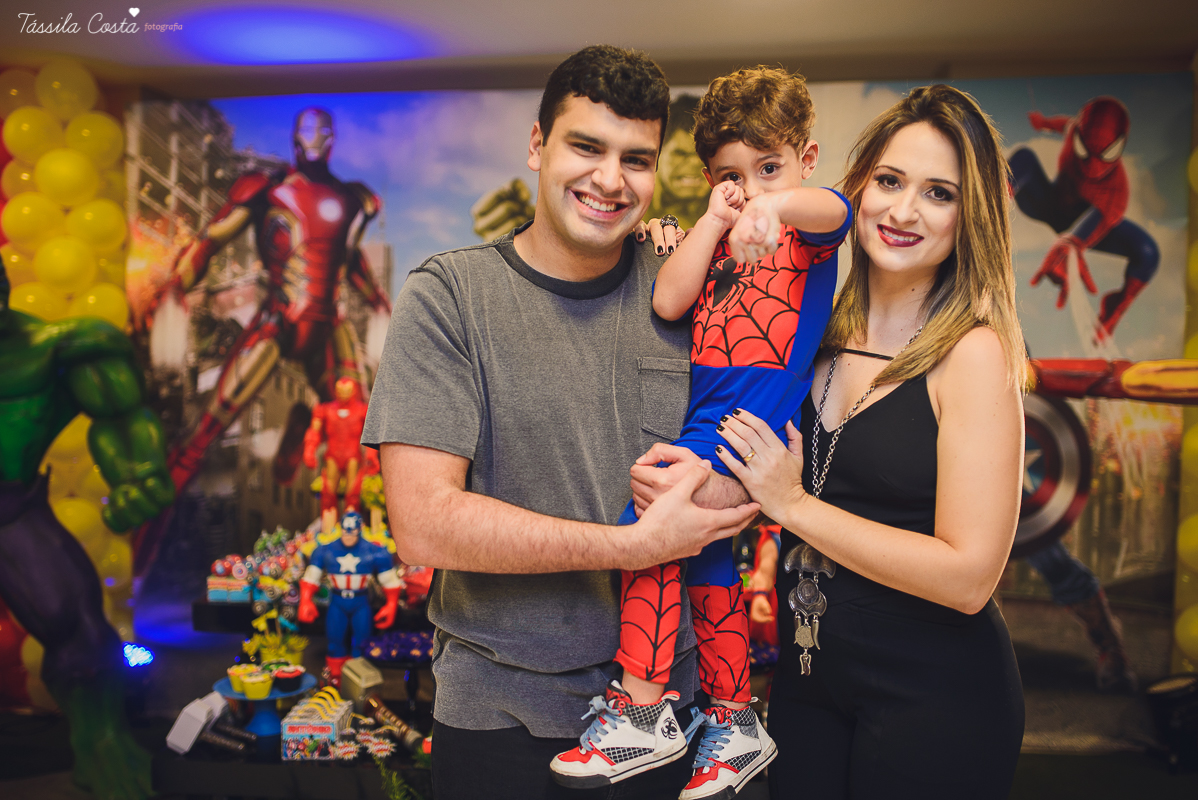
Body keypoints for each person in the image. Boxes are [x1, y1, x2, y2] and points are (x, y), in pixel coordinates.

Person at [362, 45, 759, 800]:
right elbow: (422, 523)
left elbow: (764, 436)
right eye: (586, 146)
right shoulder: (450, 296)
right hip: (497, 715)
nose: (611, 180)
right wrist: (633, 546)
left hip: (668, 715)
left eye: (636, 159)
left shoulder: (690, 286)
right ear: (539, 144)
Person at [640, 84, 1028, 798]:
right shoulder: (813, 336)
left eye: (939, 193)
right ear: (858, 187)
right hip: (807, 680)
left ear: (968, 215)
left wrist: (792, 504)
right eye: (889, 181)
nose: (904, 210)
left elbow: (970, 578)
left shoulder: (973, 354)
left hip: (934, 695)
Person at [551, 66, 851, 800]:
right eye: (731, 175)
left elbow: (828, 210)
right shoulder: (716, 241)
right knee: (706, 575)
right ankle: (735, 719)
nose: (750, 187)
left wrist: (774, 205)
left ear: (803, 161)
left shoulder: (810, 232)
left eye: (769, 166)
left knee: (651, 524)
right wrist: (715, 221)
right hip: (704, 426)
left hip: (741, 431)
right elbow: (667, 295)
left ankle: (644, 704)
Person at [0, 262, 175, 800]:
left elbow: (123, 422)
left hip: (12, 511)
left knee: (82, 633)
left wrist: (136, 475)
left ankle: (102, 745)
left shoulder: (59, 349)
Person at [298, 510, 401, 685]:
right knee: (334, 644)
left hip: (361, 603)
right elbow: (311, 577)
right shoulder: (325, 550)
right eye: (345, 531)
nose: (348, 536)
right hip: (337, 602)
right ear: (340, 528)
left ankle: (358, 683)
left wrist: (391, 604)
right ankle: (335, 684)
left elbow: (389, 581)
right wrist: (305, 600)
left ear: (360, 529)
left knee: (362, 645)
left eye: (352, 531)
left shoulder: (375, 551)